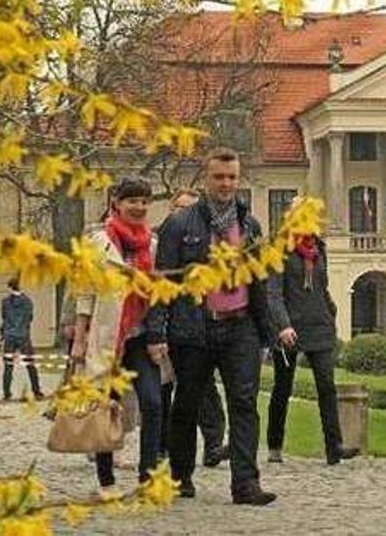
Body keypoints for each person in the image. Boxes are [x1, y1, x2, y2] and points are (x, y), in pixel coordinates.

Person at [154, 147, 276, 505]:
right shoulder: (179, 225)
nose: (226, 183)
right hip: (195, 327)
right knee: (187, 404)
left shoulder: (250, 226)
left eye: (232, 177)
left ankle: (245, 484)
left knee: (244, 403)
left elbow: (260, 282)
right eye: (219, 177)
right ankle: (180, 476)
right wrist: (157, 332)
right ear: (205, 178)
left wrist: (266, 331)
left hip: (240, 326)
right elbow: (164, 283)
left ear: (239, 180)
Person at [71, 176, 166, 497]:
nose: (139, 207)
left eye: (144, 201)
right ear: (117, 203)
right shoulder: (98, 242)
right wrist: (80, 339)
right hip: (108, 336)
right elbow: (85, 293)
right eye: (132, 201)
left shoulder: (152, 244)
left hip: (140, 337)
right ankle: (106, 481)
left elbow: (157, 292)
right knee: (106, 407)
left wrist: (157, 334)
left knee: (153, 403)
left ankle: (147, 477)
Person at [266, 224, 358, 465]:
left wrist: (331, 311)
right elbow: (273, 293)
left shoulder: (319, 248)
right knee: (282, 388)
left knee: (327, 386)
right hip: (290, 326)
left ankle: (334, 447)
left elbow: (323, 286)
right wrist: (283, 324)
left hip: (319, 324)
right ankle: (274, 445)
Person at [162, 187, 228, 468]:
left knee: (204, 390)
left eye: (191, 208)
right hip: (170, 325)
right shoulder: (162, 241)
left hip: (199, 326)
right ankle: (163, 447)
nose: (185, 214)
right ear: (172, 209)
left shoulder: (205, 244)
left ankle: (213, 444)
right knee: (165, 394)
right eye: (181, 208)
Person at [0, 277, 44, 401]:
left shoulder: (5, 302)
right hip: (23, 335)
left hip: (9, 335)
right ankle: (36, 390)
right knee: (30, 364)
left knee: (8, 366)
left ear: (9, 287)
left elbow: (4, 317)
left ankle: (6, 392)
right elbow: (30, 317)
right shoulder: (28, 301)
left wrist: (4, 332)